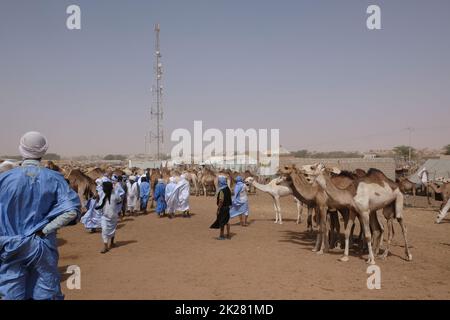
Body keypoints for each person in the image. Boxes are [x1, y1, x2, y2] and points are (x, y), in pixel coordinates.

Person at [0, 131, 80, 300]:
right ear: (43, 152)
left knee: (11, 293)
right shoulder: (55, 178)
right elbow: (71, 211)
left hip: (10, 245)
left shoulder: (4, 179)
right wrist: (45, 230)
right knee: (46, 293)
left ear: (21, 149)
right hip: (42, 246)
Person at [96, 181, 122, 254]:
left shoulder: (115, 195)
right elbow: (100, 204)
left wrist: (118, 211)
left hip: (113, 216)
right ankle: (105, 246)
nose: (103, 189)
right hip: (104, 216)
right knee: (104, 230)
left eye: (104, 187)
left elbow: (120, 201)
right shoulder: (102, 195)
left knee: (113, 230)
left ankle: (112, 243)